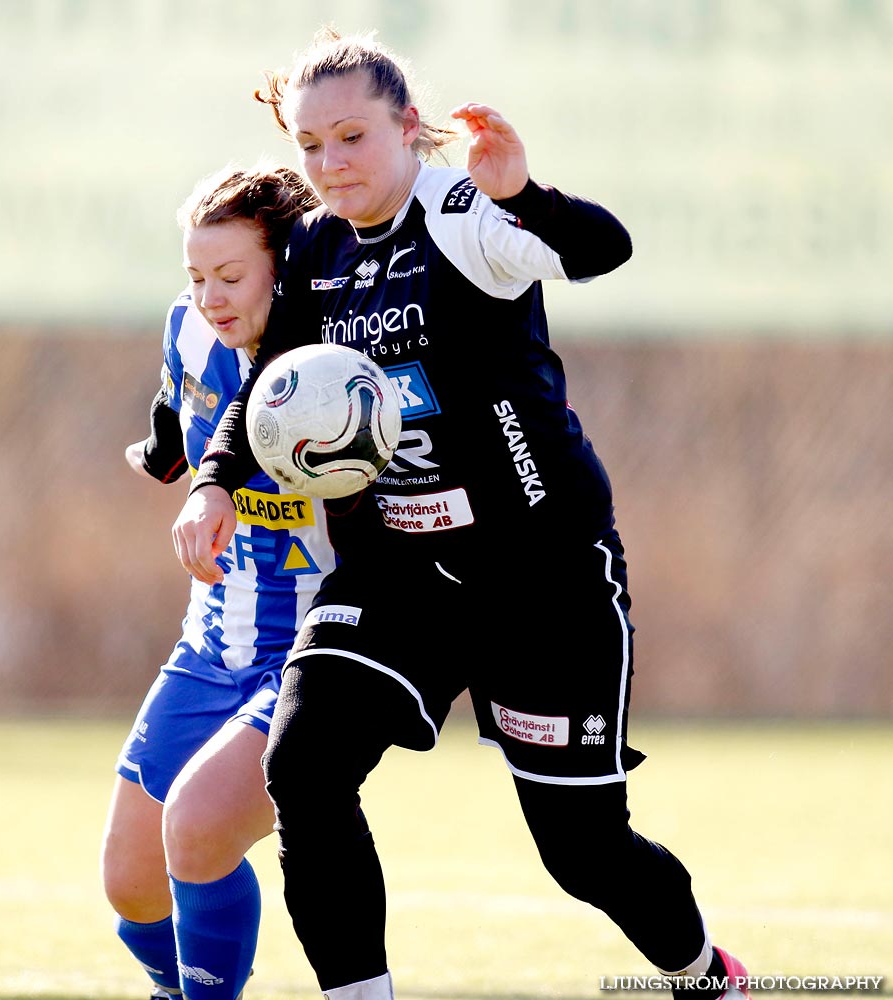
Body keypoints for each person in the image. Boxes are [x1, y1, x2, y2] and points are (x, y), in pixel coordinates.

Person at [172, 28, 751, 1000]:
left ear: (407, 128)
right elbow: (271, 384)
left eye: (351, 136)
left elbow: (601, 249)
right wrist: (213, 479)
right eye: (311, 146)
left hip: (538, 574)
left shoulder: (458, 213)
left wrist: (522, 193)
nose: (330, 163)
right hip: (396, 569)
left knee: (581, 851)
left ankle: (704, 976)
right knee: (305, 767)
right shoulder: (312, 249)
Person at [101, 164, 330, 1000]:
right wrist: (166, 456)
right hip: (209, 645)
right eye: (196, 276)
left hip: (313, 650)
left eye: (230, 276)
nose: (210, 297)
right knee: (130, 879)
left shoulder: (333, 367)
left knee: (196, 829)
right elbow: (179, 415)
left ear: (284, 267)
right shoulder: (187, 328)